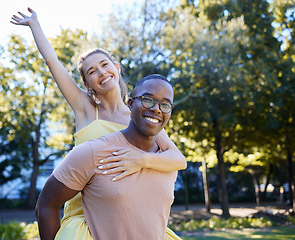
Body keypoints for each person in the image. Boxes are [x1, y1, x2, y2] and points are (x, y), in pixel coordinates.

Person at [11, 8, 186, 240]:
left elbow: (178, 159)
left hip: (127, 214)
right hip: (86, 215)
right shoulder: (85, 109)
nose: (101, 72)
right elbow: (52, 61)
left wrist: (140, 160)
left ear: (117, 67)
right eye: (92, 71)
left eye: (105, 65)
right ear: (87, 84)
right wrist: (35, 25)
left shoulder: (138, 116)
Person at [36, 75, 180, 240]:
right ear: (131, 104)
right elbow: (46, 203)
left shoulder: (168, 162)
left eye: (165, 104)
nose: (156, 108)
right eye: (148, 99)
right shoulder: (93, 152)